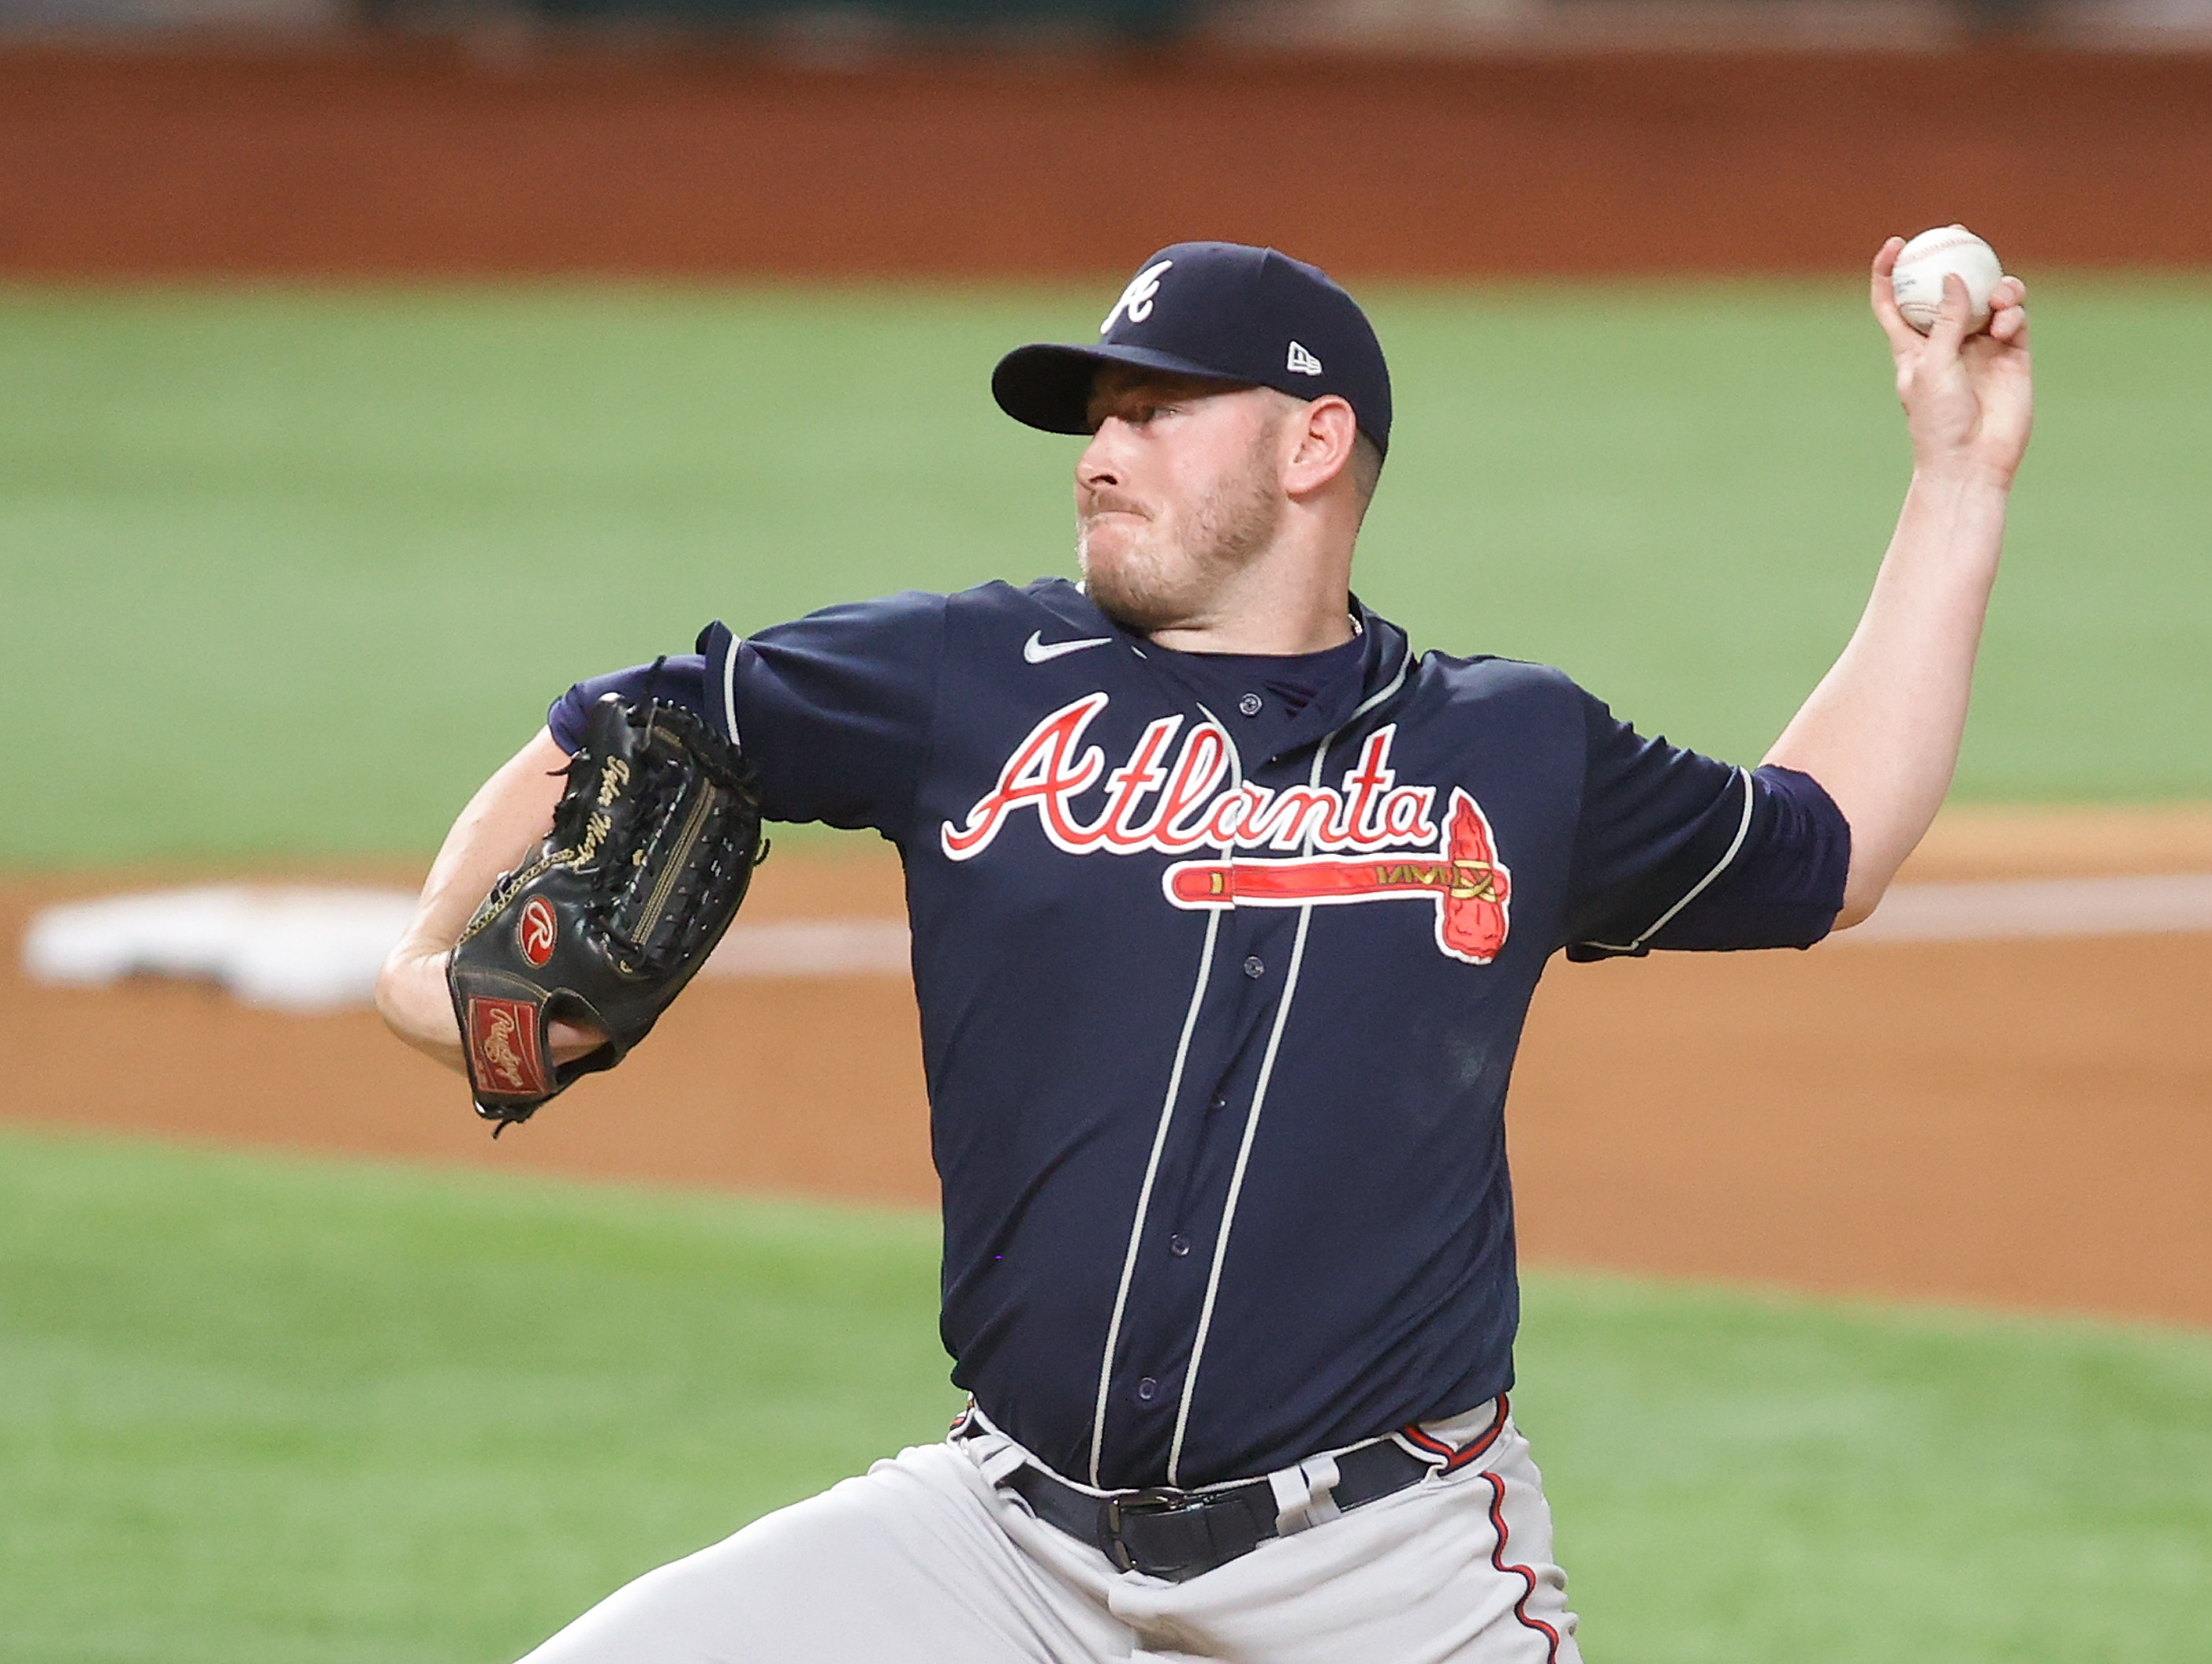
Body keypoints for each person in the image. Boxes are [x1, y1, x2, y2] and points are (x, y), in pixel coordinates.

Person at [379, 239, 2031, 1662]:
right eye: (1095, 417)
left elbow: (1828, 841)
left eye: (1158, 409)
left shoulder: (1517, 751)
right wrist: (427, 966)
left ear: (1317, 441)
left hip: (1383, 1571)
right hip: (1002, 1546)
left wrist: (1962, 472)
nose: (1104, 448)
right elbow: (650, 715)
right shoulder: (971, 674)